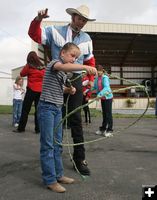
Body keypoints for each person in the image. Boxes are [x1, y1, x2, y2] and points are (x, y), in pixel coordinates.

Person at [28, 5, 96, 176]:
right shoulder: (54, 31)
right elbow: (35, 35)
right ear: (73, 17)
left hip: (75, 79)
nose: (82, 22)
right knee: (56, 117)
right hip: (56, 78)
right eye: (80, 18)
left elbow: (90, 61)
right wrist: (38, 20)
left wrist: (89, 82)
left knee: (75, 117)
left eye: (85, 20)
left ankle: (80, 159)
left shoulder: (87, 39)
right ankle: (53, 159)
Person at [37, 42, 97, 193]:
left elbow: (59, 86)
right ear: (62, 53)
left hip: (57, 109)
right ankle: (50, 180)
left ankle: (58, 175)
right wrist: (84, 66)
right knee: (48, 144)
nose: (73, 59)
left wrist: (68, 89)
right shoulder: (54, 63)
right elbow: (64, 67)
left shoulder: (63, 73)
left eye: (76, 58)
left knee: (58, 143)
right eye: (72, 55)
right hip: (46, 108)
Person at [14, 51, 45, 133]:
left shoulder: (29, 66)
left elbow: (22, 73)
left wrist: (27, 65)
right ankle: (38, 129)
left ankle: (21, 128)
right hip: (40, 91)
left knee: (25, 110)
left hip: (31, 90)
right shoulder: (42, 67)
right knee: (38, 111)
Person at [92, 65, 113, 137]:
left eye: (99, 71)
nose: (98, 73)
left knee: (108, 114)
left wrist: (99, 94)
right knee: (104, 114)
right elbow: (94, 87)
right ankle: (103, 129)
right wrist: (87, 90)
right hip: (102, 98)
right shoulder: (97, 78)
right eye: (97, 72)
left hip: (108, 98)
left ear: (102, 71)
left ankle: (110, 130)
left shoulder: (105, 78)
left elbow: (107, 88)